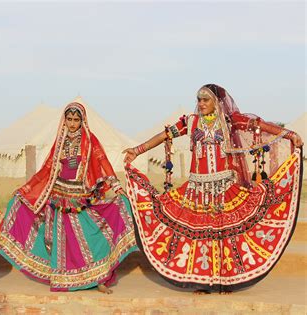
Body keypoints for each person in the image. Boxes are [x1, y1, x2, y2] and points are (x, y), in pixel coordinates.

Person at [123, 84, 303, 293]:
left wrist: (289, 134)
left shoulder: (229, 121)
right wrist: (137, 150)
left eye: (205, 100)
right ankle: (203, 283)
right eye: (199, 99)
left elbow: (260, 126)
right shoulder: (190, 122)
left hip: (225, 188)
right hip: (196, 190)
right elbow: (165, 136)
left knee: (226, 236)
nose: (201, 103)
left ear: (216, 102)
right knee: (201, 238)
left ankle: (226, 281)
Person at [0, 102, 138, 294]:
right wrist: (26, 189)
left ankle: (99, 278)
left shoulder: (90, 140)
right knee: (62, 240)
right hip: (58, 194)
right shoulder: (60, 141)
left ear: (82, 120)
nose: (72, 124)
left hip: (80, 195)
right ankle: (63, 278)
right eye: (69, 119)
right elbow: (47, 169)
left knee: (89, 236)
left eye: (76, 120)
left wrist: (116, 186)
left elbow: (102, 162)